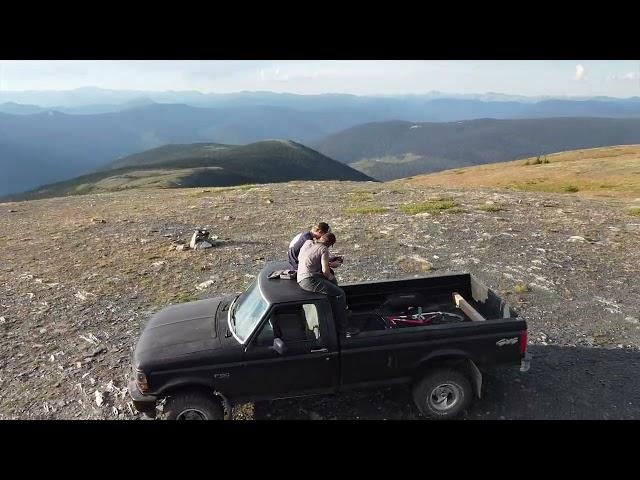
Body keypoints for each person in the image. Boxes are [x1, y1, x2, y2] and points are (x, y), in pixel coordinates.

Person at [297, 233, 358, 336]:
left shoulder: (311, 245)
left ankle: (339, 312)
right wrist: (332, 277)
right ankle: (343, 327)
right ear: (330, 244)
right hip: (309, 280)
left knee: (332, 288)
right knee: (339, 294)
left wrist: (330, 263)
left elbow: (313, 261)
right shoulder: (324, 249)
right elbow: (325, 271)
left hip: (302, 277)